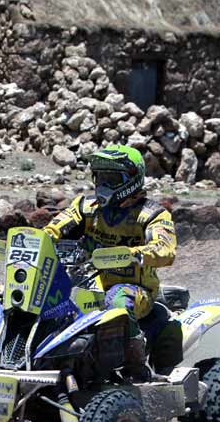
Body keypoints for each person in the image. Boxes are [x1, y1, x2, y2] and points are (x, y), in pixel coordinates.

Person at [43, 144, 177, 381]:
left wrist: (134, 254)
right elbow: (51, 230)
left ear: (132, 180)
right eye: (100, 177)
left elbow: (166, 249)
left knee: (117, 299)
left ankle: (137, 370)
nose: (103, 184)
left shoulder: (152, 214)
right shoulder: (86, 207)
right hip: (86, 282)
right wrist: (39, 242)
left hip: (136, 289)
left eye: (111, 178)